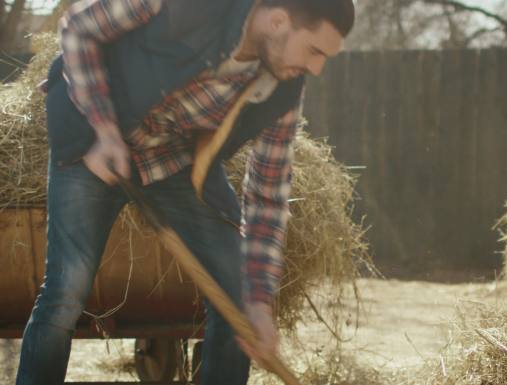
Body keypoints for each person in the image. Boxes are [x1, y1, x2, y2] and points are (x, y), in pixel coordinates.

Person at [15, 0, 354, 384]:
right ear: (278, 21)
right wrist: (106, 130)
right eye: (314, 50)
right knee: (66, 291)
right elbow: (79, 27)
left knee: (236, 299)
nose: (317, 67)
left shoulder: (284, 89)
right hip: (93, 139)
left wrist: (259, 300)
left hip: (173, 162)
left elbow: (268, 193)